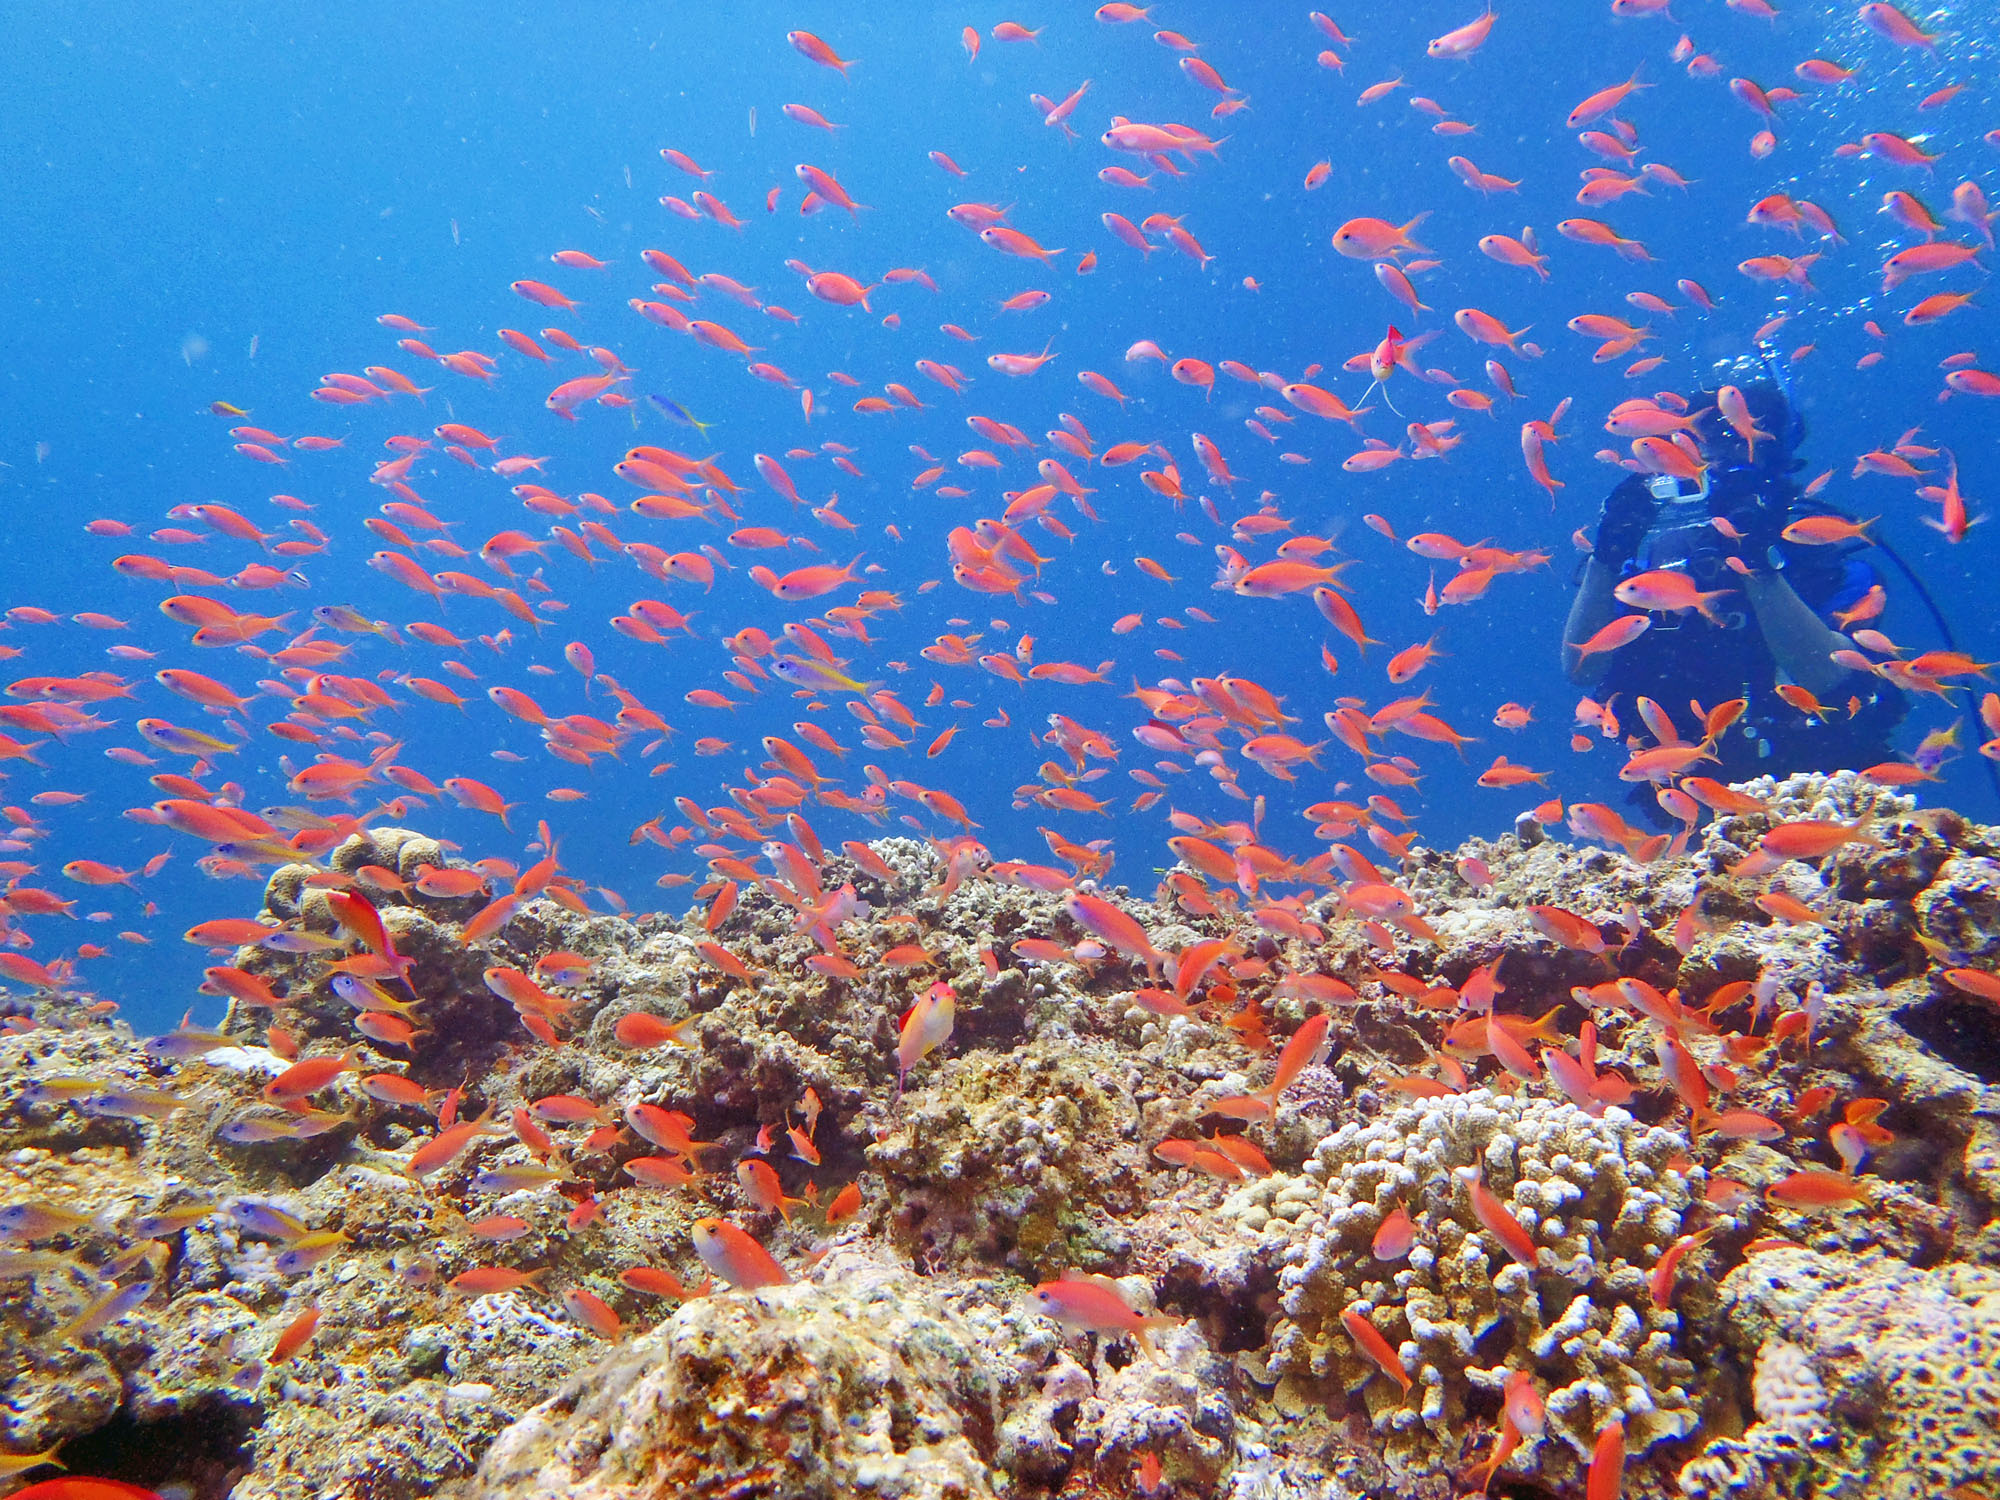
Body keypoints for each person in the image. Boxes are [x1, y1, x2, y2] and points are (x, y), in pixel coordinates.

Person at [1562, 354, 1905, 787]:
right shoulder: (1656, 556)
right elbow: (1581, 669)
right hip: (1687, 792)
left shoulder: (1818, 551)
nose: (1719, 464)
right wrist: (1606, 558)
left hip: (1817, 791)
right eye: (1704, 445)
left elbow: (1829, 679)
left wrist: (1759, 562)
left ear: (1775, 455)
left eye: (1743, 442)